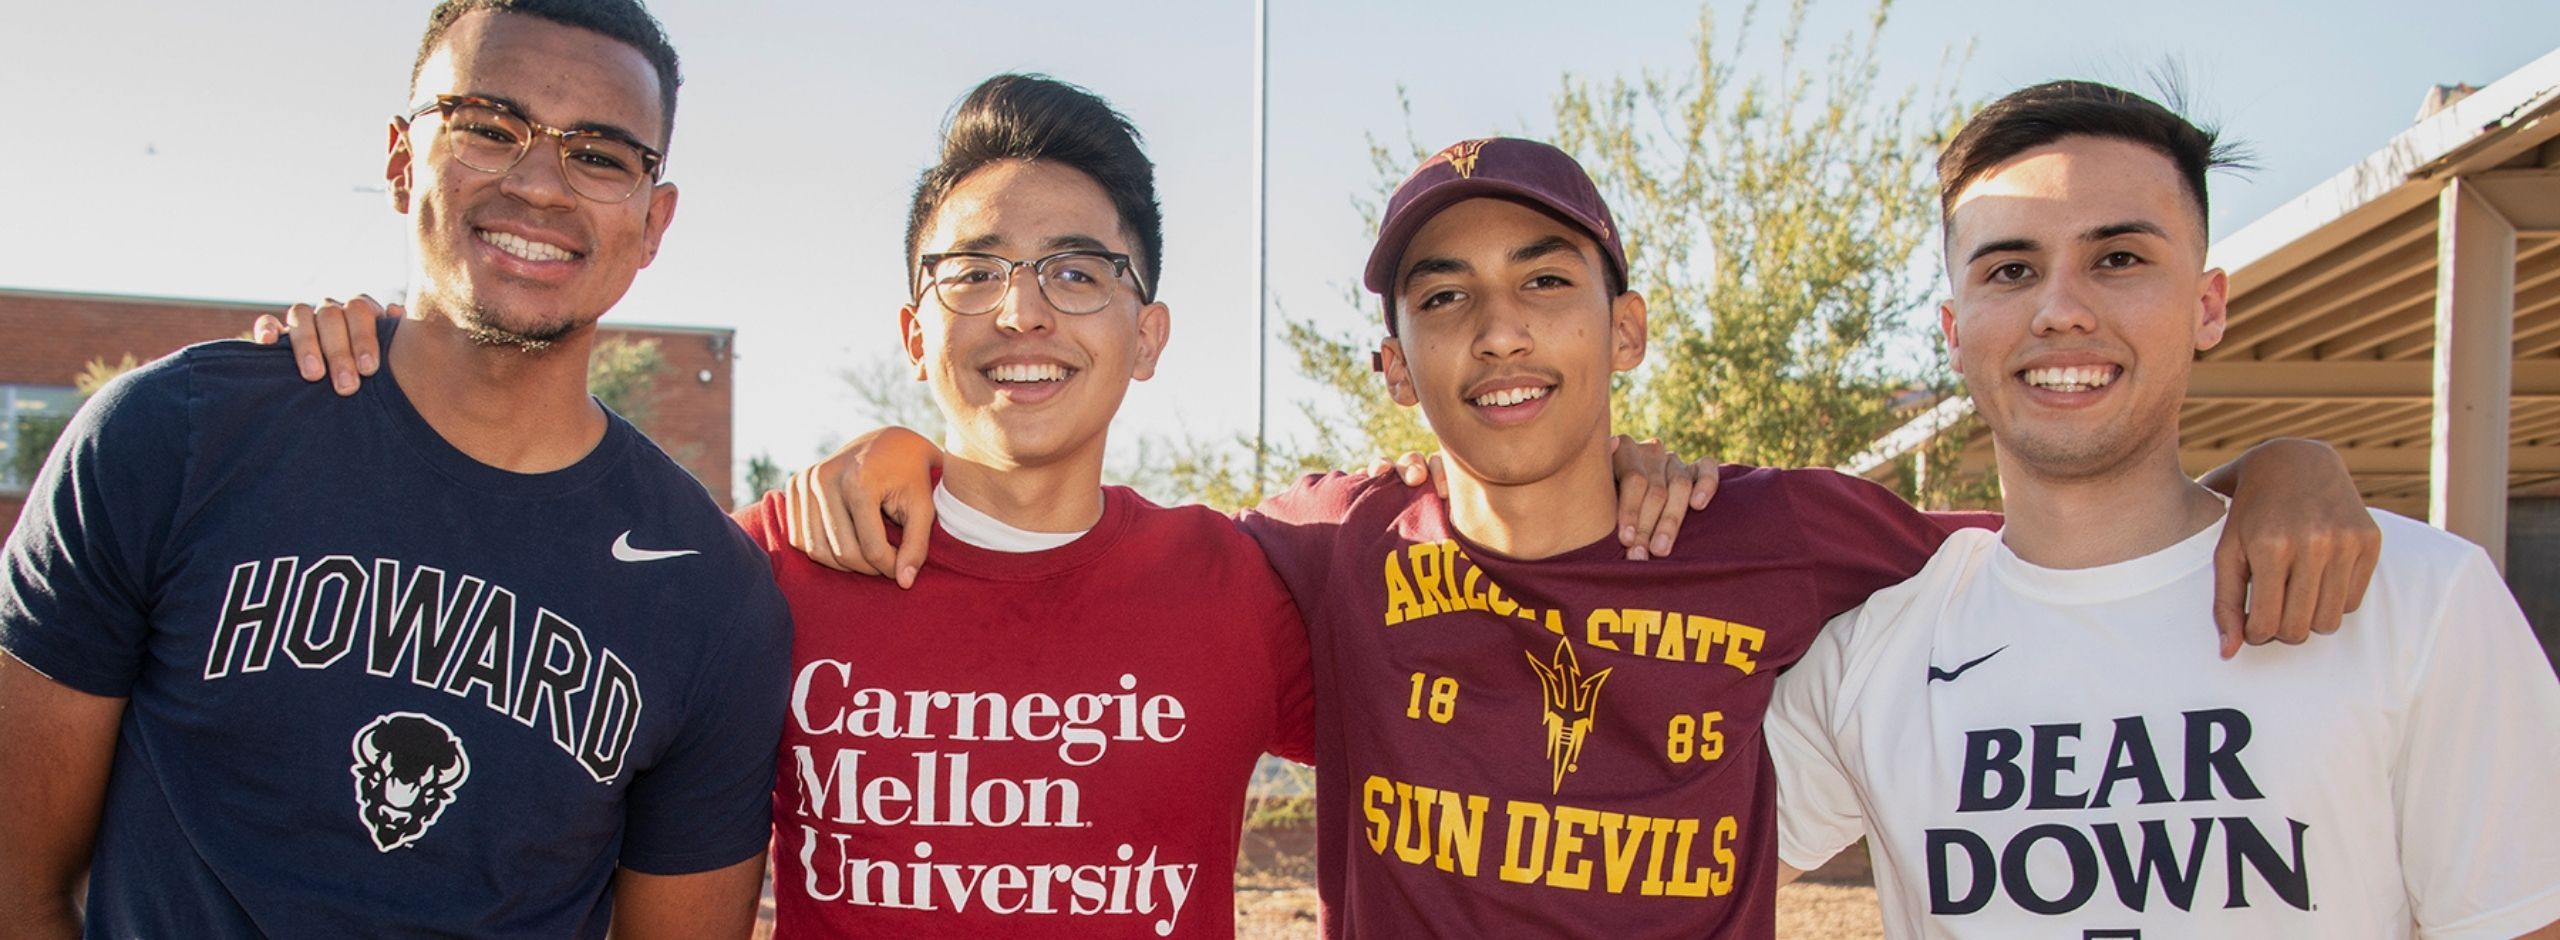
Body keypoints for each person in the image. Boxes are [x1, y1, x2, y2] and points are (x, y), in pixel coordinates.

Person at [774, 135, 2378, 936]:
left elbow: (2078, 519)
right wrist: (913, 438)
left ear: (1628, 329)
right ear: (1395, 368)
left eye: (1548, 281)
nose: (1504, 332)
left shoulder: (1790, 536)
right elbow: (1062, 530)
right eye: (1445, 298)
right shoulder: (1325, 553)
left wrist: (2278, 464)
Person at [0, 2, 791, 937]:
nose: (541, 185)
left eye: (601, 154)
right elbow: (17, 886)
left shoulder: (712, 593)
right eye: (488, 130)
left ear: (654, 222)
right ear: (398, 159)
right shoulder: (173, 435)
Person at [1765, 80, 2560, 937]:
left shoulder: (2414, 597)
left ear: (2207, 305)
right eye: (2012, 269)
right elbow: (1636, 880)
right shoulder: (1867, 656)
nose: (2062, 310)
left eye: (2119, 259)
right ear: (1956, 333)